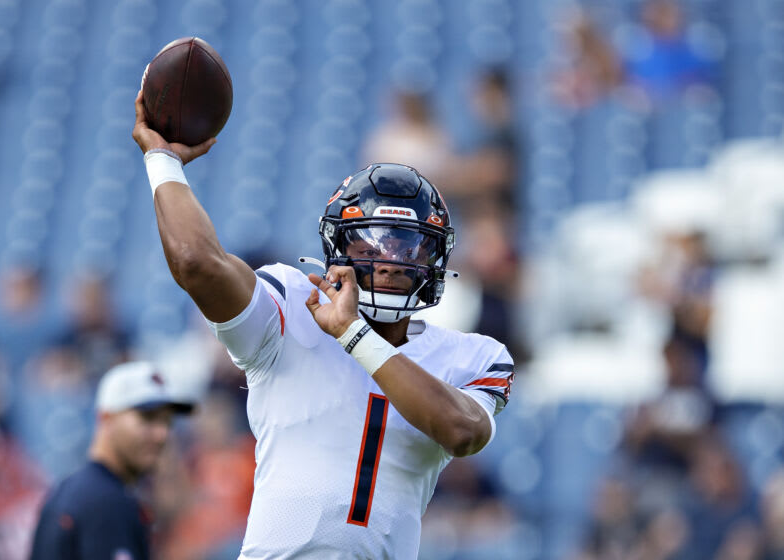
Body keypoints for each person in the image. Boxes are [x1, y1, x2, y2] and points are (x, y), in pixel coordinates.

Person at [132, 88, 515, 558]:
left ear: (436, 259)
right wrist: (163, 160)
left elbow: (463, 431)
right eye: (371, 244)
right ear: (338, 249)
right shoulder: (291, 304)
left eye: (408, 245)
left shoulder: (473, 356)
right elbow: (195, 262)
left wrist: (353, 334)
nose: (391, 261)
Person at [28, 361, 195, 560]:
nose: (162, 434)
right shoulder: (107, 503)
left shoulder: (71, 489)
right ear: (106, 419)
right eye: (148, 418)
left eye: (167, 421)